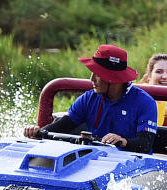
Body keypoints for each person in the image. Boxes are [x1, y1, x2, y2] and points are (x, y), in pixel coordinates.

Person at [24, 44, 158, 154]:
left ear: (113, 78)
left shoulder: (145, 103)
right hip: (96, 161)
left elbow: (145, 144)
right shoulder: (88, 98)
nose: (91, 79)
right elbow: (62, 126)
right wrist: (38, 132)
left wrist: (123, 141)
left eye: (97, 74)